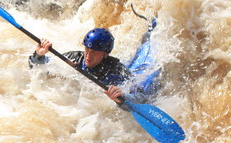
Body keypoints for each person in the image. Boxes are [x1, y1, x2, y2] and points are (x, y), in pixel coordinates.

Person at [28, 21, 160, 104]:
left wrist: (122, 98)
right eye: (87, 49)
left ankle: (152, 29)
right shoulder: (74, 58)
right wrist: (39, 54)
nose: (88, 56)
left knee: (145, 59)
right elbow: (38, 68)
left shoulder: (117, 72)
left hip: (134, 72)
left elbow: (142, 96)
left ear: (105, 54)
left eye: (95, 52)